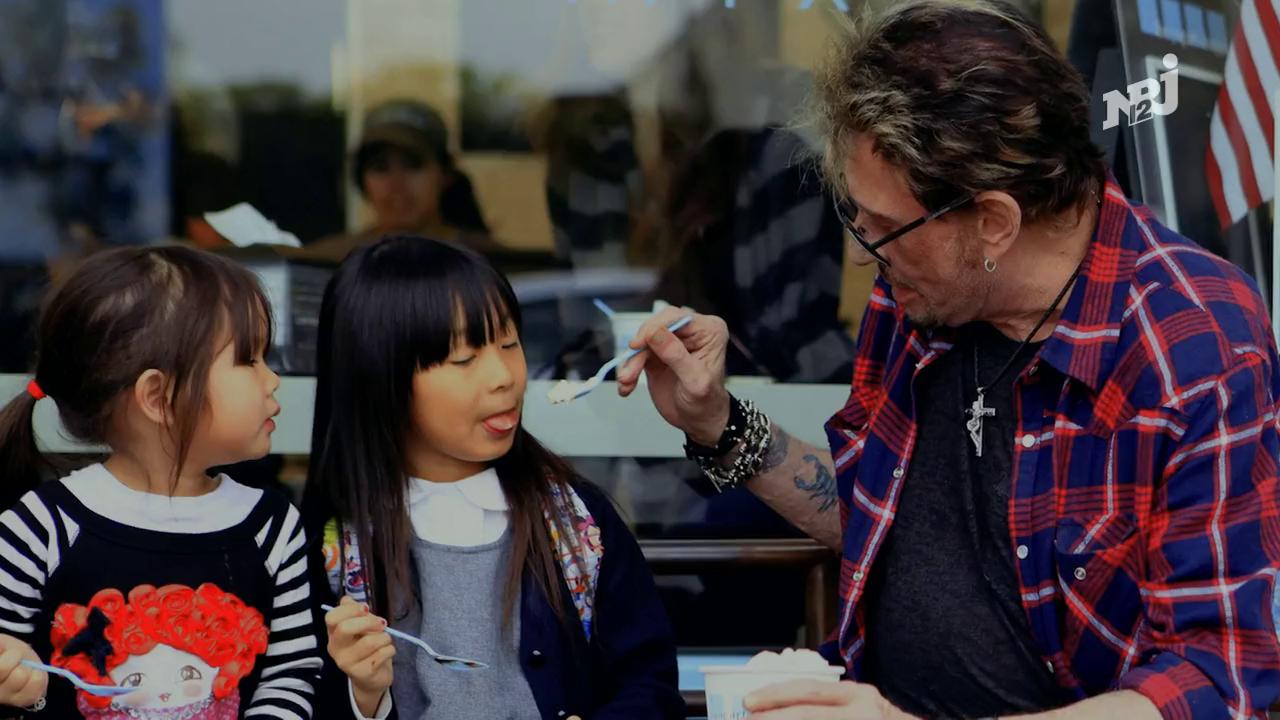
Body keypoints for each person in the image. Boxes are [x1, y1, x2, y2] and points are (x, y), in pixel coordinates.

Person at [618, 1, 1280, 718]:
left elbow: (1216, 678)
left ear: (994, 222)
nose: (861, 253)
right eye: (855, 217)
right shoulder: (925, 291)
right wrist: (717, 422)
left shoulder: (1194, 346)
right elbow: (876, 515)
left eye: (882, 227)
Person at [302, 235, 683, 720]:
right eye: (465, 359)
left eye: (509, 344)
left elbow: (651, 684)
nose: (504, 376)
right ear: (380, 379)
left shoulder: (576, 522)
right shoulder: (332, 547)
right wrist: (364, 696)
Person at [0, 246, 321, 718]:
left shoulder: (272, 527)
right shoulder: (40, 527)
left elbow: (291, 672)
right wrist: (19, 688)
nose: (272, 379)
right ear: (158, 396)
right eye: (249, 359)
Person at [309, 100, 491, 261]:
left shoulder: (486, 264)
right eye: (380, 167)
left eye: (413, 165)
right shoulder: (328, 263)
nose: (396, 182)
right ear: (362, 180)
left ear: (445, 175)